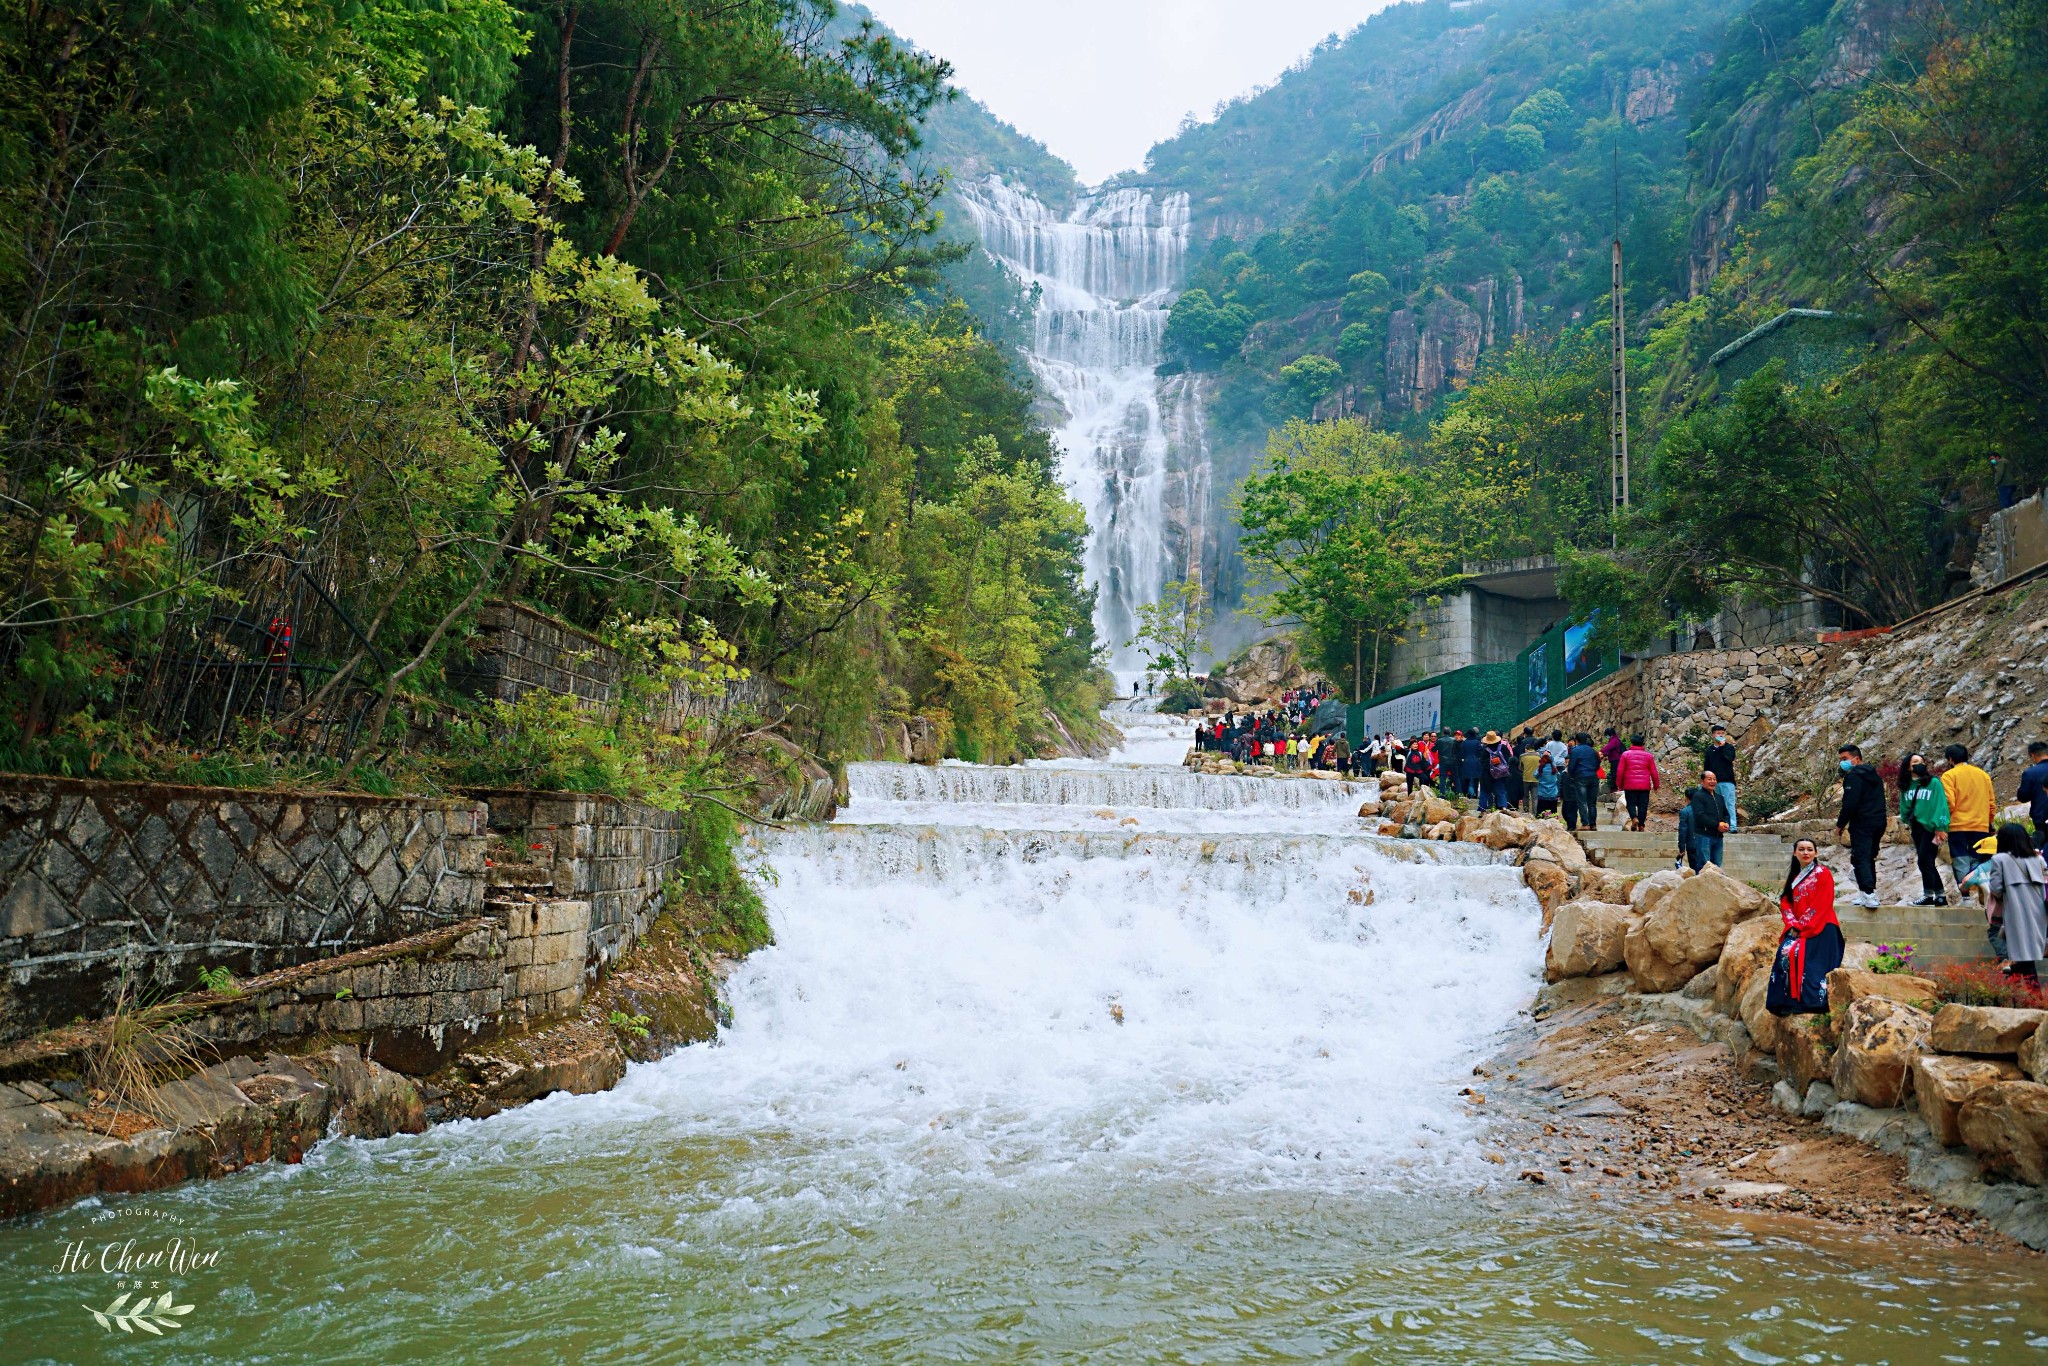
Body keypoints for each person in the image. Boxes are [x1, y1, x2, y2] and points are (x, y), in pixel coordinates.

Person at [1767, 837, 1843, 1015]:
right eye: (1801, 849)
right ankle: (1785, 1001)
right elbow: (1786, 902)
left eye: (1809, 849)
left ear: (1816, 853)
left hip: (1822, 926)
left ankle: (1811, 1002)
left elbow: (1822, 903)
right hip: (1799, 927)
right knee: (1785, 952)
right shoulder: (1794, 877)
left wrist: (1803, 925)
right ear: (1795, 853)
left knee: (1804, 957)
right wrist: (1793, 922)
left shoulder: (1823, 873)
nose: (1805, 852)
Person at [1985, 823, 2046, 983]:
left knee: (2023, 955)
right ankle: (2017, 994)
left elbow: (1996, 889)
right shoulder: (2038, 859)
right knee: (2023, 955)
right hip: (2038, 912)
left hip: (2015, 911)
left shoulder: (1999, 859)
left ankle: (2034, 997)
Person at [1834, 743, 1889, 908]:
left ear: (1856, 758)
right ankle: (1869, 893)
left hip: (1863, 822)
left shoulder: (1853, 777)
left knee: (1860, 857)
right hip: (1879, 821)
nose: (1842, 763)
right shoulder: (1874, 775)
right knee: (1869, 856)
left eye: (1845, 759)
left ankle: (1869, 894)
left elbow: (1850, 804)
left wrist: (1840, 825)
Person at [1942, 743, 1997, 894]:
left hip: (1957, 826)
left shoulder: (1949, 776)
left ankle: (1965, 896)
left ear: (1950, 759)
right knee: (1977, 859)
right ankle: (1982, 892)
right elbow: (1991, 803)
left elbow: (1949, 803)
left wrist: (1943, 822)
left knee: (1960, 860)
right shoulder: (1983, 775)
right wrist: (1990, 822)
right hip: (1980, 825)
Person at [1898, 752, 1951, 907]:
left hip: (1931, 827)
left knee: (1924, 860)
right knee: (1926, 861)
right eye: (1915, 762)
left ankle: (1931, 895)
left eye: (1921, 761)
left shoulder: (1933, 782)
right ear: (1908, 767)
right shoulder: (1906, 785)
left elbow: (1941, 804)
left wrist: (1940, 826)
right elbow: (1904, 805)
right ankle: (1938, 895)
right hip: (1916, 827)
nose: (1919, 764)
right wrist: (1905, 819)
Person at [1683, 771, 1730, 870]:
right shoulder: (1698, 796)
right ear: (1702, 781)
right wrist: (1717, 825)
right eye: (1709, 779)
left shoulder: (1719, 797)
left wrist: (1726, 823)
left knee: (1717, 865)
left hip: (1718, 836)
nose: (1712, 781)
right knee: (1704, 865)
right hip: (1704, 836)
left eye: (1714, 779)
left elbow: (1726, 813)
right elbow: (1700, 815)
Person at [1615, 735, 1661, 832]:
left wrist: (1619, 784)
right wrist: (1656, 785)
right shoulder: (1648, 756)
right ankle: (1641, 826)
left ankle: (1634, 818)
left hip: (1630, 784)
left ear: (1631, 743)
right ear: (1642, 744)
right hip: (1644, 786)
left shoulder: (1625, 754)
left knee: (1631, 804)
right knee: (1643, 806)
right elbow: (1654, 772)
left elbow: (1620, 771)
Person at [1704, 723, 1739, 832]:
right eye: (1718, 733)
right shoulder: (1709, 750)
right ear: (1713, 735)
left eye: (1722, 734)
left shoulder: (1729, 747)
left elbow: (1730, 758)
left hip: (1727, 780)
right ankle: (1717, 826)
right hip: (1713, 782)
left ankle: (1732, 826)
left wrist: (1722, 747)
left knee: (1729, 803)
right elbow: (1707, 767)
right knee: (1714, 805)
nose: (1721, 735)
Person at [1565, 732, 1602, 831]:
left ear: (1576, 741)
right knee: (1592, 803)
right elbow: (1598, 764)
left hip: (1581, 777)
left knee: (1582, 802)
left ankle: (1585, 824)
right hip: (1593, 777)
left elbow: (1571, 766)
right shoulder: (1593, 751)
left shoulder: (1575, 751)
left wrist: (1572, 776)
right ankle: (1593, 824)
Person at [2018, 740, 2048, 850]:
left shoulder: (2030, 773)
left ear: (2033, 755)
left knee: (2043, 849)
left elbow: (2022, 797)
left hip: (2041, 818)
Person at [1479, 730, 1513, 811]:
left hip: (1487, 775)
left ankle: (1482, 809)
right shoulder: (1503, 748)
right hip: (1501, 774)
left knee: (1484, 791)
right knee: (1501, 791)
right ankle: (1503, 807)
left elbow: (1483, 763)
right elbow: (1508, 758)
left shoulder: (1485, 750)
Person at [1533, 749, 1561, 817]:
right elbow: (1558, 777)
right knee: (1553, 814)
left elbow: (1535, 775)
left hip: (1543, 794)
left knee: (1541, 815)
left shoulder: (1541, 769)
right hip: (1553, 794)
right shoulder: (1554, 769)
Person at [1600, 728, 1625, 795]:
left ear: (1609, 734)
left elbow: (1608, 747)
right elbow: (1611, 750)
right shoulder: (1614, 739)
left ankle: (1616, 788)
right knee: (1614, 774)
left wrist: (1601, 752)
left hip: (1616, 760)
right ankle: (1615, 787)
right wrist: (1605, 754)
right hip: (1615, 759)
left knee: (1614, 774)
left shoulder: (1614, 740)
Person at [1519, 743, 1542, 814]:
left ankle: (1526, 812)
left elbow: (1520, 767)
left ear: (1526, 749)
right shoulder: (1539, 756)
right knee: (1535, 798)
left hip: (1525, 778)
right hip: (1536, 779)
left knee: (1525, 796)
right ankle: (1535, 813)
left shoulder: (1522, 756)